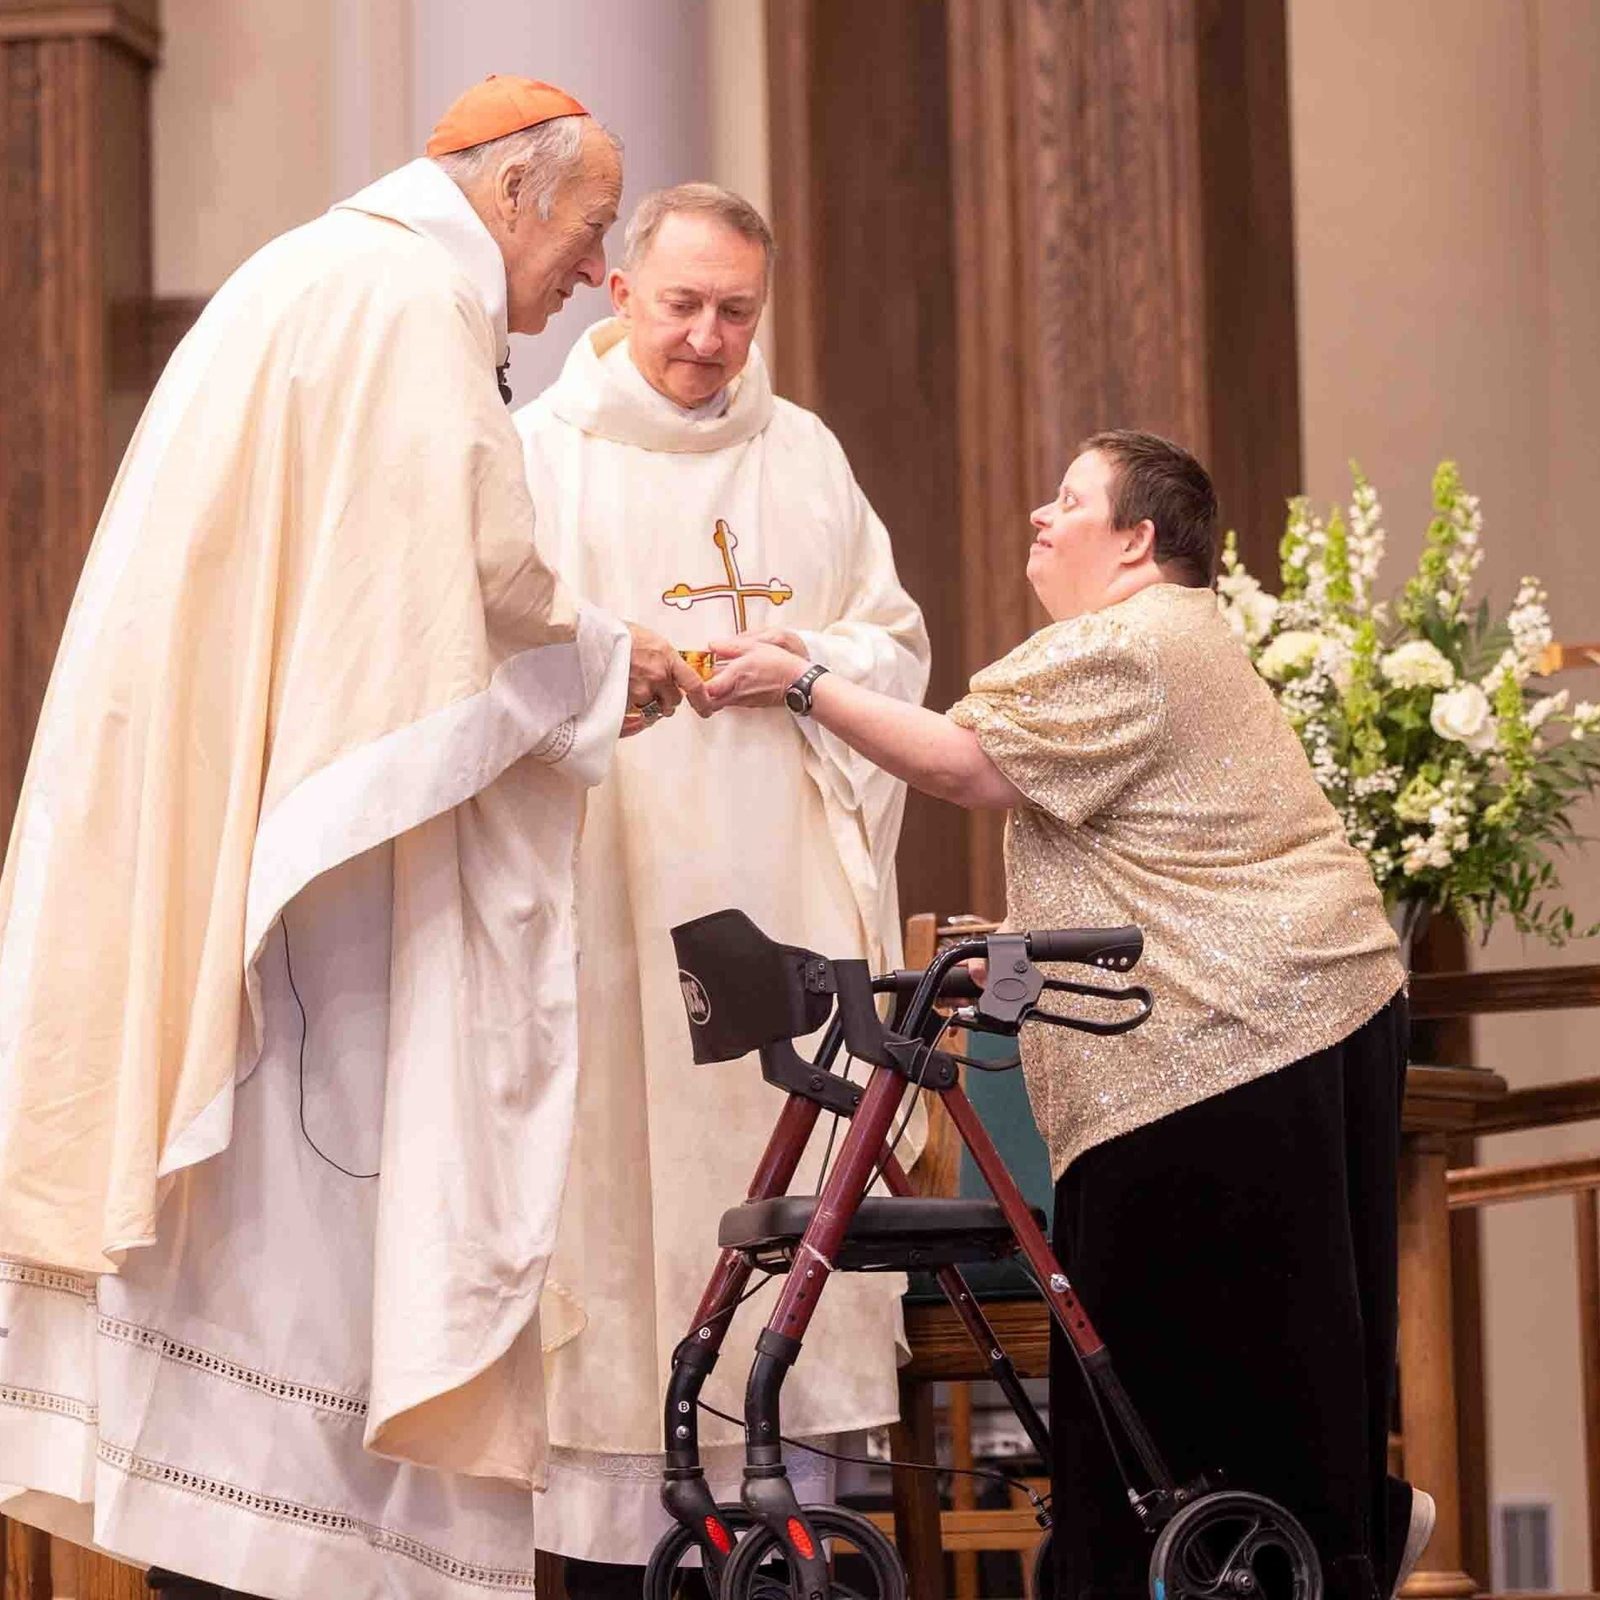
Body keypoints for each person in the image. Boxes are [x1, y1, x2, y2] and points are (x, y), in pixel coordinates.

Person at [0, 77, 699, 1600]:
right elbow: (469, 594)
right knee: (313, 1326)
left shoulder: (312, 274)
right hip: (325, 920)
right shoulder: (396, 306)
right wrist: (605, 660)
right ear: (512, 191)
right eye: (587, 232)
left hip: (243, 839)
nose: (595, 273)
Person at [704, 430, 1434, 1600]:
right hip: (1302, 1011)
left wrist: (799, 683)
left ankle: (1219, 1558)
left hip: (1226, 1040)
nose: (1039, 518)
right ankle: (1318, 1539)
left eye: (1068, 501)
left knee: (1188, 1347)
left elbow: (962, 763)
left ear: (1138, 541)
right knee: (1273, 1349)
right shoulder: (1176, 639)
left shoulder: (1128, 641)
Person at [513, 184, 930, 1592]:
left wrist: (803, 663)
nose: (707, 338)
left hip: (781, 876)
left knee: (780, 1164)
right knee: (624, 1203)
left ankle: (793, 1539)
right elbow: (485, 666)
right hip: (609, 890)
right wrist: (608, 665)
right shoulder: (537, 457)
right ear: (621, 291)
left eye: (736, 311)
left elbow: (897, 646)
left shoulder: (802, 454)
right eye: (682, 304)